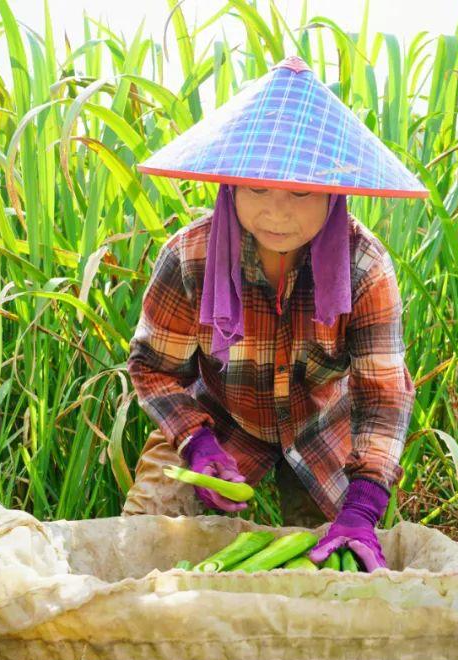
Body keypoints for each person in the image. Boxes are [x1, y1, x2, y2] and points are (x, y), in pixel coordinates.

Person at [123, 56, 427, 571]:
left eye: (301, 192)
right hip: (218, 419)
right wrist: (196, 442)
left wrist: (363, 506)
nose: (277, 212)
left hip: (323, 430)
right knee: (145, 541)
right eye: (257, 187)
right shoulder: (190, 257)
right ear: (230, 185)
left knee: (334, 569)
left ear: (332, 194)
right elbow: (154, 368)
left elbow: (383, 397)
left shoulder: (364, 267)